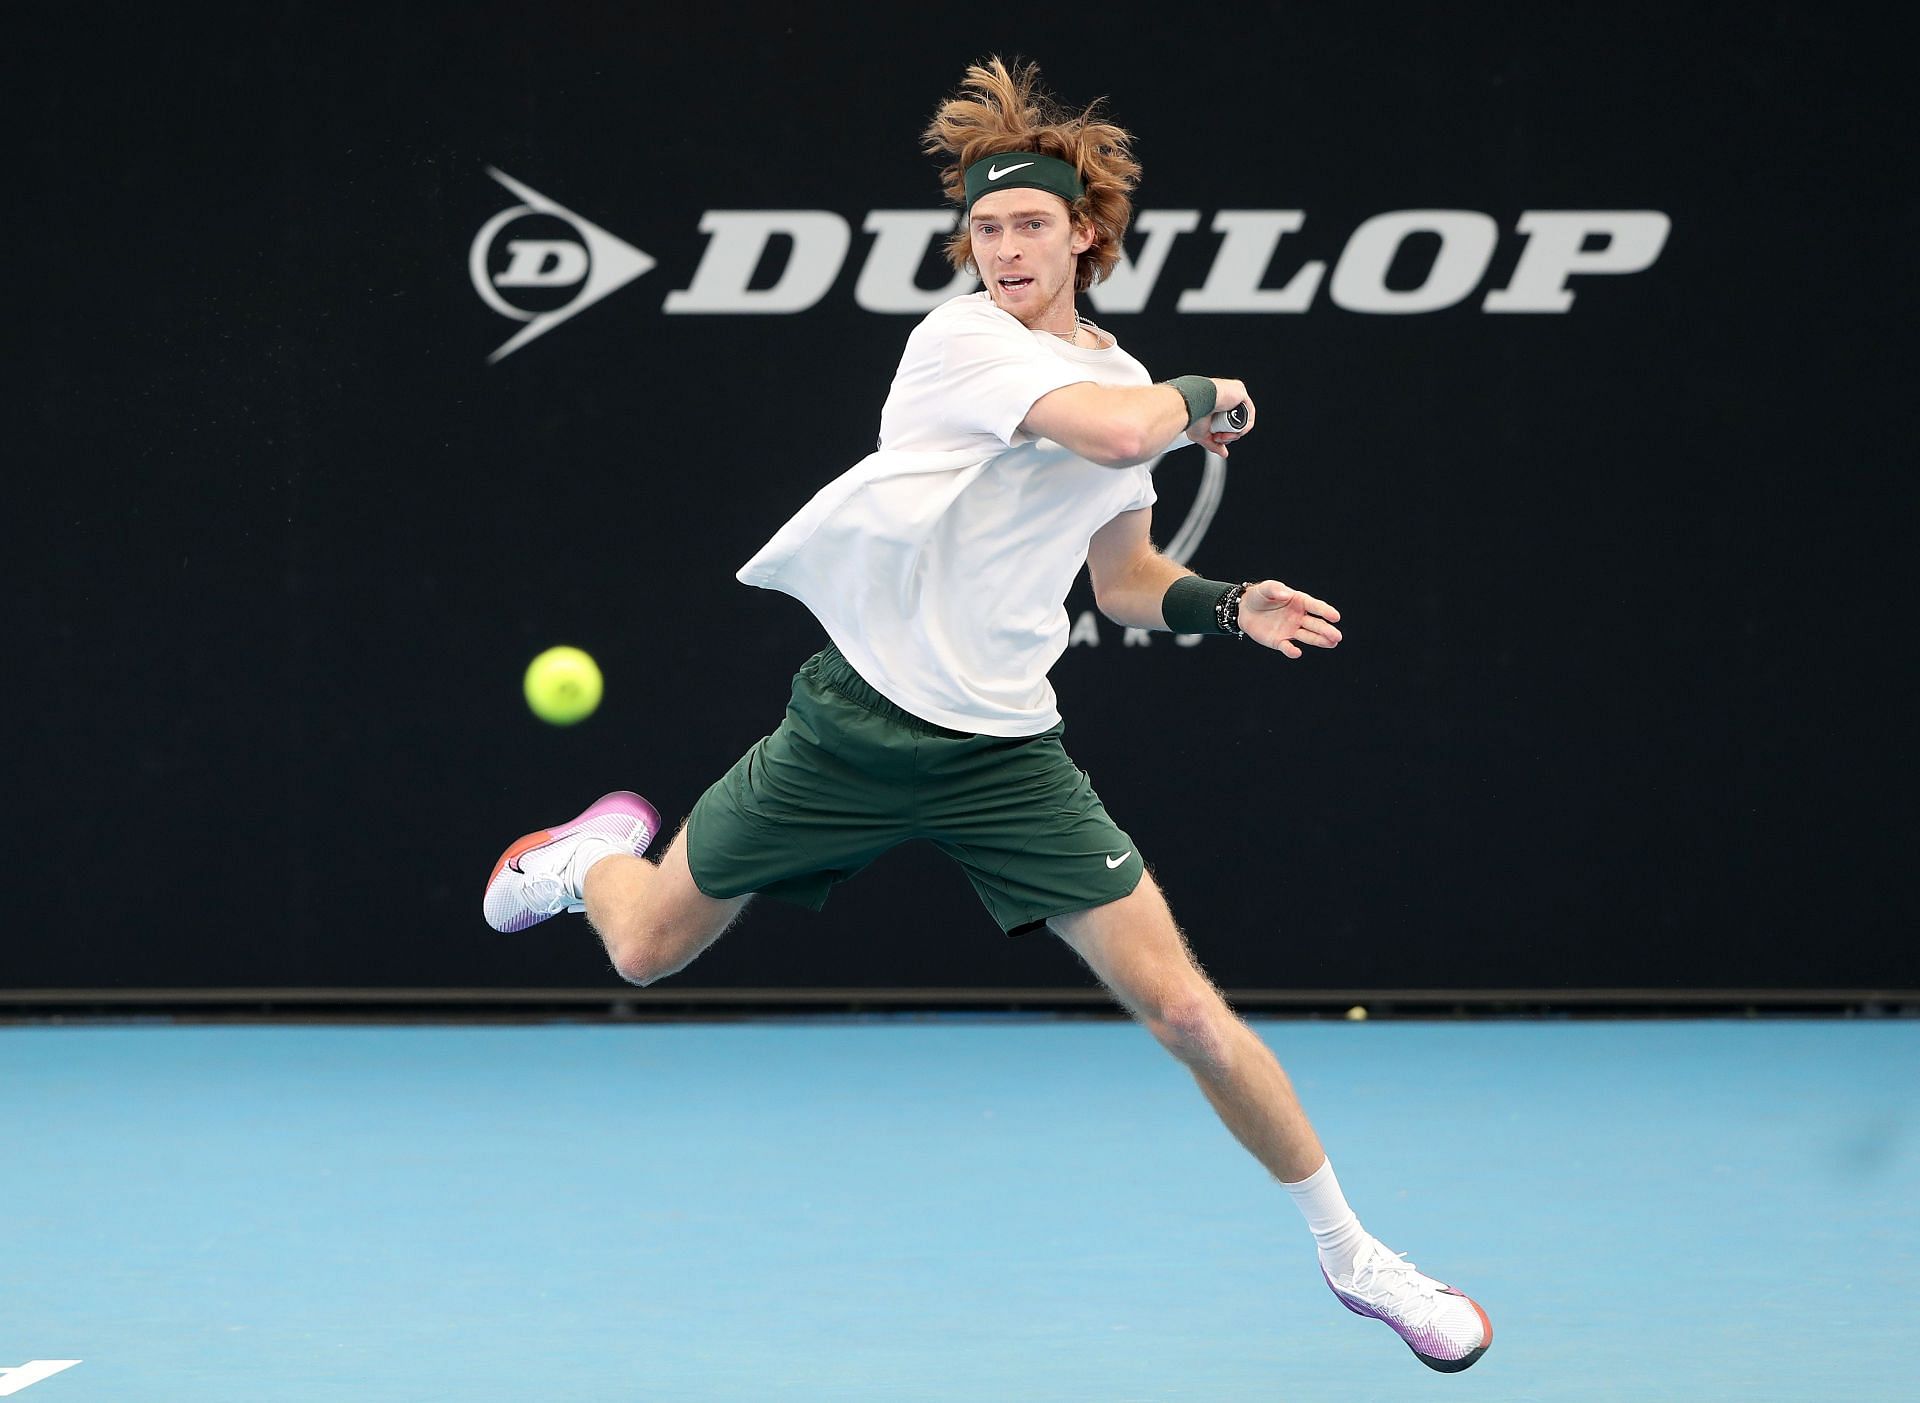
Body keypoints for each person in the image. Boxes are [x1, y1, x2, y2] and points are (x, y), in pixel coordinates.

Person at [483, 57, 1490, 1373]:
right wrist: (1207, 400)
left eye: (1029, 225)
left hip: (1008, 758)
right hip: (852, 725)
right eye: (986, 230)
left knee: (1186, 1011)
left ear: (1082, 233)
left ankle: (1358, 1257)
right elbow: (1129, 437)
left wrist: (1225, 603)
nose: (1004, 248)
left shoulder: (1119, 370)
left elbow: (1125, 581)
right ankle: (589, 860)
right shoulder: (961, 343)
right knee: (646, 952)